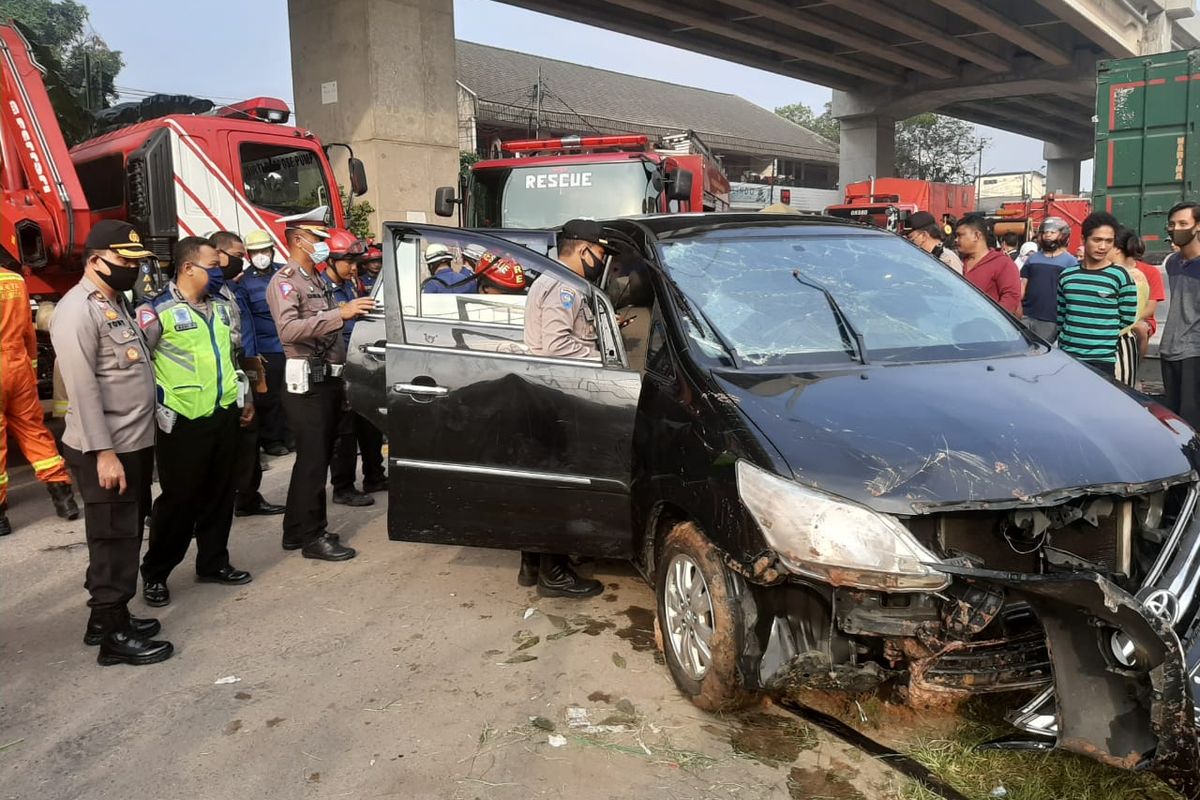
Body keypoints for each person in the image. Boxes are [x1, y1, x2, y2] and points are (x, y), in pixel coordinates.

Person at [50, 220, 172, 665]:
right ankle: (114, 638)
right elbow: (82, 390)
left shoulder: (114, 302)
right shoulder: (77, 310)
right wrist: (104, 453)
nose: (132, 269)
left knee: (124, 530)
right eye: (124, 261)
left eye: (135, 262)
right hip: (108, 448)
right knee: (113, 538)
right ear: (95, 260)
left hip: (133, 441)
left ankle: (105, 617)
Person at [138, 238, 254, 608]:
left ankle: (213, 562)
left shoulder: (223, 308)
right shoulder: (157, 312)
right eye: (213, 265)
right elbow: (139, 366)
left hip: (223, 414)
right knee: (179, 502)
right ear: (188, 268)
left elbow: (235, 357)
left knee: (221, 494)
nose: (220, 272)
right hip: (183, 421)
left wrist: (246, 398)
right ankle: (156, 572)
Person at [266, 208, 374, 561]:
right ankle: (314, 536)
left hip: (326, 378)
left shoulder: (316, 281)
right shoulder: (285, 281)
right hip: (305, 383)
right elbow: (289, 330)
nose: (323, 245)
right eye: (318, 239)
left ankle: (296, 530)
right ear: (298, 240)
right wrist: (337, 314)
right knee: (313, 462)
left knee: (314, 459)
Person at [518, 219, 608, 598]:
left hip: (544, 391)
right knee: (558, 484)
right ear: (583, 248)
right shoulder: (564, 285)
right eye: (600, 253)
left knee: (542, 483)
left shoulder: (551, 279)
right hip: (556, 393)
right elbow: (556, 346)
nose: (602, 260)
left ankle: (532, 564)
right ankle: (553, 574)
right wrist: (604, 355)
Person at [208, 232, 284, 519]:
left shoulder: (229, 289)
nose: (242, 262)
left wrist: (252, 372)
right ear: (219, 254)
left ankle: (249, 497)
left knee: (249, 437)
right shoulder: (213, 292)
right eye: (239, 256)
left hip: (241, 366)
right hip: (218, 377)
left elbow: (245, 331)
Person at [0, 264, 79, 536]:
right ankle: (64, 499)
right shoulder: (13, 280)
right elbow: (27, 332)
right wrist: (30, 371)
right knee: (33, 430)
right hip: (18, 366)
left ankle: (0, 517)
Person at [323, 230, 385, 506]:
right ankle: (343, 486)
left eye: (355, 262)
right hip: (337, 365)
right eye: (347, 262)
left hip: (361, 360)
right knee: (345, 432)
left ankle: (375, 475)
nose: (353, 268)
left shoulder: (352, 284)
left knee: (369, 422)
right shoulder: (322, 288)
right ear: (331, 260)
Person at [1056, 212, 1137, 372]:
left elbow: (1126, 318)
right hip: (1068, 357)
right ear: (1083, 239)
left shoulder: (1121, 276)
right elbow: (1061, 316)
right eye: (1097, 240)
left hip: (1102, 360)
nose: (1103, 247)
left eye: (1109, 241)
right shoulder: (1067, 275)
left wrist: (1100, 336)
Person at [240, 229, 292, 457]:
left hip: (291, 345)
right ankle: (272, 440)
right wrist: (252, 354)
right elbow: (247, 321)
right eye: (255, 252)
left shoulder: (286, 273)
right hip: (266, 349)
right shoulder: (244, 283)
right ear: (248, 255)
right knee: (269, 398)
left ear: (272, 250)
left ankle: (291, 436)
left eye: (264, 250)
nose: (260, 255)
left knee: (292, 394)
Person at [1160, 201, 1200, 429]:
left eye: (1183, 223)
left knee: (1191, 423)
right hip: (1170, 349)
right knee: (1173, 421)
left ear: (1197, 226)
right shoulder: (1173, 263)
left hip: (1194, 353)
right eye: (1172, 224)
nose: (1176, 229)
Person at [1019, 217, 1078, 342]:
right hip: (1026, 314)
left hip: (1051, 318)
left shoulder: (1071, 262)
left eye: (1052, 232)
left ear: (1063, 235)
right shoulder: (1032, 259)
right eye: (1045, 232)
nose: (1048, 235)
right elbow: (1023, 284)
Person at [955, 214, 1022, 315]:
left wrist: (991, 321)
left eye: (960, 235)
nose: (956, 240)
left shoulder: (1002, 263)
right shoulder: (959, 261)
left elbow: (1011, 299)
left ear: (976, 236)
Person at [1113, 228, 1165, 358]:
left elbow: (1150, 307)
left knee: (1141, 329)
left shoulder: (1150, 272)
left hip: (1140, 317)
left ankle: (1136, 364)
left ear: (1118, 249)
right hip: (1112, 316)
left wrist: (1128, 319)